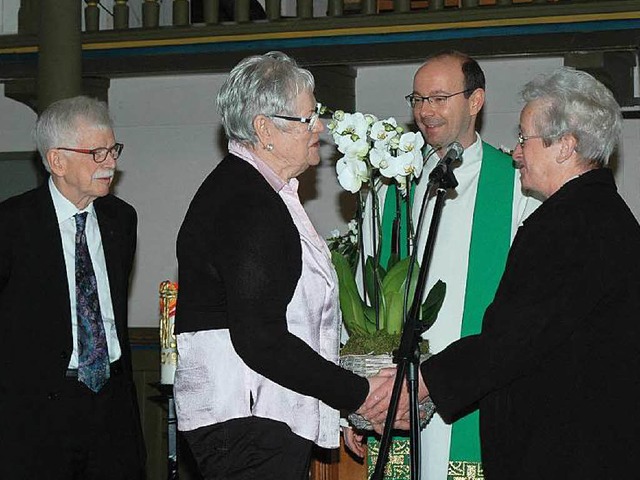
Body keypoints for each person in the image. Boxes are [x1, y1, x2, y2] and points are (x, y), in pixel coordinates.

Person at [366, 66, 640, 479]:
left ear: (565, 146)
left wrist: (424, 380)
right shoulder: (600, 215)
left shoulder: (570, 225)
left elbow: (515, 338)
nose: (515, 152)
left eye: (524, 138)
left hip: (569, 451)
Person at [173, 51, 392, 480]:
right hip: (246, 419)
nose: (321, 128)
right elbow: (261, 339)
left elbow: (297, 323)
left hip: (255, 415)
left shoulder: (257, 191)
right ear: (264, 128)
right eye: (308, 118)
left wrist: (339, 409)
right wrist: (357, 395)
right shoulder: (247, 203)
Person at [345, 51, 541, 478]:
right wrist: (354, 399)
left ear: (476, 101)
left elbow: (531, 306)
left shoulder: (516, 186)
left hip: (474, 395)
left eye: (438, 98)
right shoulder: (392, 186)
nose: (424, 111)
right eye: (417, 99)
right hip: (396, 394)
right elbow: (364, 299)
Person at [0, 96, 146, 479]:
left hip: (111, 406)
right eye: (96, 153)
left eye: (112, 149)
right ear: (57, 161)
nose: (111, 162)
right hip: (35, 417)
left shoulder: (121, 220)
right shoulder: (12, 226)